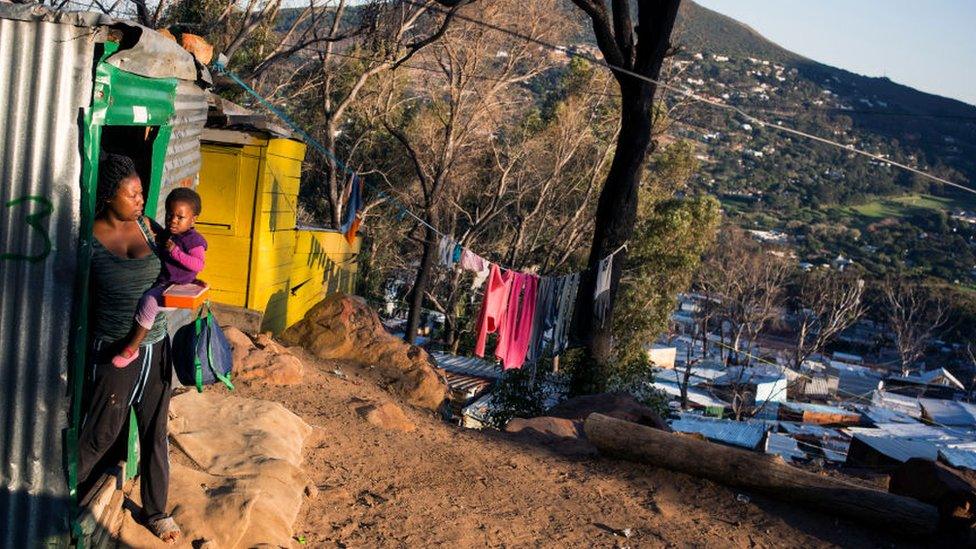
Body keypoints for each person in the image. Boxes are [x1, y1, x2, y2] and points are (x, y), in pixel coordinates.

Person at [77, 154, 181, 544]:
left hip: (156, 347)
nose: (141, 200)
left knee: (156, 431)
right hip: (115, 350)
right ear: (108, 197)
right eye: (132, 194)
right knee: (102, 432)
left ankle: (156, 511)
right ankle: (67, 498)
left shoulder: (148, 227)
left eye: (141, 193)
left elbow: (178, 262)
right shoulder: (89, 240)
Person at [112, 187, 207, 367]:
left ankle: (132, 348)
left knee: (149, 302)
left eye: (180, 217)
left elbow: (198, 265)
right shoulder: (172, 234)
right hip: (167, 283)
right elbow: (155, 228)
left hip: (176, 288)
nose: (173, 221)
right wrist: (142, 219)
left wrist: (175, 252)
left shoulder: (193, 240)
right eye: (170, 215)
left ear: (193, 219)